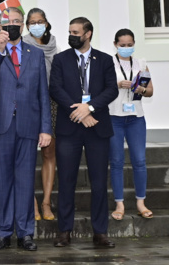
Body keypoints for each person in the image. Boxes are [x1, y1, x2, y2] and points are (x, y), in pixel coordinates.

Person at [0, 7, 51, 251]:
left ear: (22, 26)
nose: (11, 25)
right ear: (0, 25)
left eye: (16, 21)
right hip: (1, 125)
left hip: (28, 124)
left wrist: (45, 128)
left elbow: (43, 92)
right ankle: (2, 231)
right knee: (2, 181)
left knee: (25, 181)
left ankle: (25, 232)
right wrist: (0, 51)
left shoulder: (36, 53)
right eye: (6, 21)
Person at [50, 17, 118, 249]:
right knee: (66, 180)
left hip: (97, 127)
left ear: (88, 34)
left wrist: (88, 108)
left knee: (99, 182)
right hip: (70, 129)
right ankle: (64, 231)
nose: (72, 35)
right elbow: (55, 89)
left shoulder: (105, 60)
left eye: (76, 32)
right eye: (69, 31)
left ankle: (100, 232)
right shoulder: (60, 59)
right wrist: (79, 112)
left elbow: (112, 90)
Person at [109, 29, 155, 221]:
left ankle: (140, 202)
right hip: (114, 117)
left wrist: (141, 88)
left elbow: (151, 91)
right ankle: (119, 203)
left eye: (130, 45)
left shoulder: (141, 63)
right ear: (115, 44)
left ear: (134, 44)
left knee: (139, 161)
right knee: (117, 161)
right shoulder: (108, 63)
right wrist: (117, 85)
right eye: (122, 45)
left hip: (136, 118)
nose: (126, 48)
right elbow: (100, 89)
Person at [22, 8, 60, 221]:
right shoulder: (22, 44)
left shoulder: (55, 45)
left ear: (46, 23)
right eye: (32, 21)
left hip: (51, 103)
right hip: (28, 102)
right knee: (26, 156)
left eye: (40, 21)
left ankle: (46, 202)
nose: (37, 25)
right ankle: (32, 204)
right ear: (27, 25)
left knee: (48, 153)